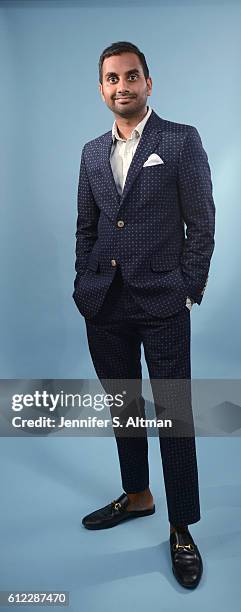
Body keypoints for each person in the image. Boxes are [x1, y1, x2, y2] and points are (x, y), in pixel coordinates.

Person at [73, 41, 215, 589]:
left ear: (148, 83)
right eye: (111, 78)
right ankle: (137, 496)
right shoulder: (90, 151)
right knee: (125, 407)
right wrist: (84, 283)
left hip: (162, 303)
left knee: (174, 414)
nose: (122, 86)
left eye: (131, 76)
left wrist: (188, 290)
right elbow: (85, 227)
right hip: (104, 303)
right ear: (103, 88)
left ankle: (182, 526)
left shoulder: (179, 141)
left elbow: (201, 223)